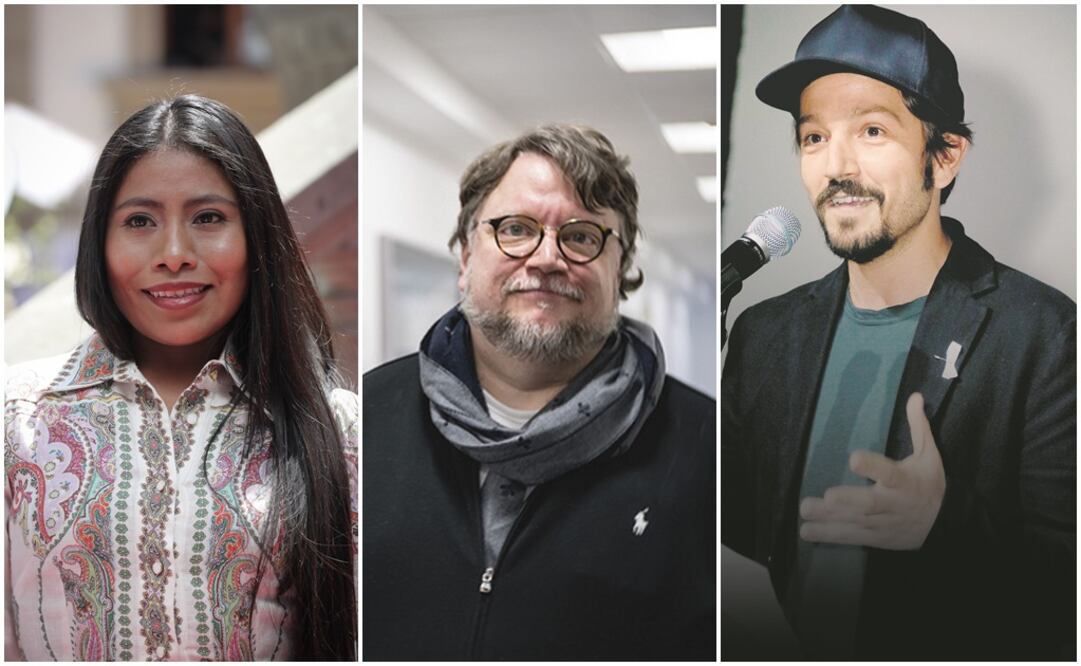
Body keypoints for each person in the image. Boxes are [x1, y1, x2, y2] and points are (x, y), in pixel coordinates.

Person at [722, 5, 1075, 660]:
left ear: (942, 158)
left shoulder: (1045, 335)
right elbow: (735, 540)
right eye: (812, 137)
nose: (835, 165)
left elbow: (1067, 597)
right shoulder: (759, 334)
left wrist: (945, 528)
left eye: (872, 130)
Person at [5, 96, 357, 660]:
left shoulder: (339, 432)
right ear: (100, 241)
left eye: (208, 218)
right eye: (139, 221)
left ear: (257, 238)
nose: (173, 254)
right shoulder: (18, 415)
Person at [363, 124, 715, 660]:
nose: (547, 258)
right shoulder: (365, 420)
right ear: (464, 257)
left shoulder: (706, 450)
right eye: (516, 229)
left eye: (580, 236)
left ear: (619, 268)